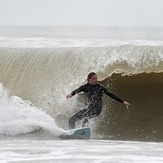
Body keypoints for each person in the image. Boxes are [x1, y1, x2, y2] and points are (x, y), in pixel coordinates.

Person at [66, 72, 130, 129]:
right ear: (89, 79)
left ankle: (84, 131)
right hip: (89, 108)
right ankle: (71, 133)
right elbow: (76, 91)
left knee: (86, 117)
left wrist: (123, 101)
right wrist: (71, 94)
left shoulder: (100, 87)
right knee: (72, 119)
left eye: (96, 78)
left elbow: (110, 94)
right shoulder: (84, 87)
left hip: (97, 109)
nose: (96, 80)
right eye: (94, 78)